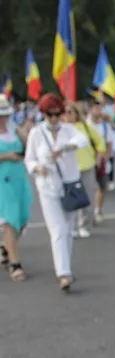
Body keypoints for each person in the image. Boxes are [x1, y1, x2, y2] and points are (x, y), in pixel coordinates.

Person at [23, 93, 88, 292]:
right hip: (48, 187)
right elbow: (29, 160)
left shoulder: (69, 130)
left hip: (69, 186)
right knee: (58, 229)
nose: (53, 118)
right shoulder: (36, 133)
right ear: (43, 114)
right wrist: (37, 169)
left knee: (68, 230)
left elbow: (82, 140)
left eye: (56, 114)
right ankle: (64, 273)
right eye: (49, 115)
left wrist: (65, 148)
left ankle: (65, 266)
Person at [0, 93, 34, 281]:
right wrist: (5, 157)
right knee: (10, 222)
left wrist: (23, 130)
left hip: (19, 178)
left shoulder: (13, 129)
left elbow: (29, 144)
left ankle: (5, 247)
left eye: (5, 114)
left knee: (22, 219)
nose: (2, 118)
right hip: (2, 182)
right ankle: (15, 264)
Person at [65, 103, 106, 238]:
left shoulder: (85, 127)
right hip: (69, 168)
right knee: (71, 198)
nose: (68, 115)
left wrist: (99, 156)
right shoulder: (61, 129)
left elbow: (100, 142)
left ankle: (84, 225)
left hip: (87, 165)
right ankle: (72, 226)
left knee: (87, 197)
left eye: (71, 112)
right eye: (65, 112)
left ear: (76, 113)